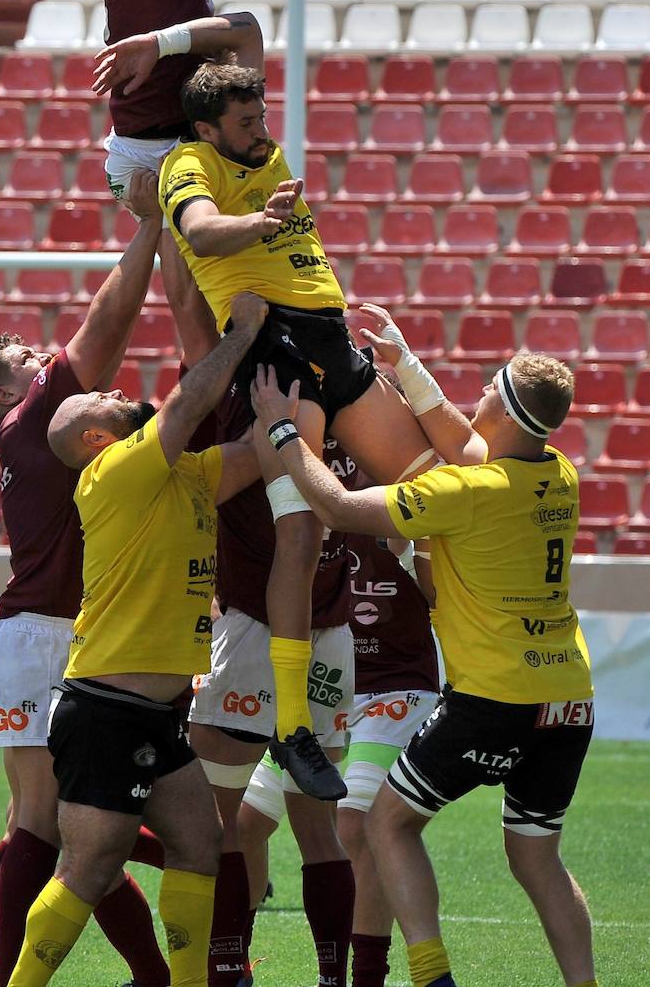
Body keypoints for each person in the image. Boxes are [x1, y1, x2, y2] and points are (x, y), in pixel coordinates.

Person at [116, 21, 441, 798]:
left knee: (437, 489)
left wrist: (164, 42)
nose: (261, 126)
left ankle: (474, 656)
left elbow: (248, 34)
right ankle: (293, 725)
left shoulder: (251, 136)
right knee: (301, 532)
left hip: (331, 340)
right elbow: (198, 230)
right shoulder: (190, 164)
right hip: (274, 351)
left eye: (261, 115)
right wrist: (259, 223)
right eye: (246, 121)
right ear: (204, 129)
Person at [250, 340, 599, 987]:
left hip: (496, 696)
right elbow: (471, 440)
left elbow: (337, 507)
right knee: (535, 856)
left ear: (511, 413)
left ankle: (433, 978)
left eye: (492, 390)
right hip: (570, 696)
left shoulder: (463, 490)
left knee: (387, 822)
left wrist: (280, 427)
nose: (480, 397)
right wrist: (405, 364)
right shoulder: (559, 474)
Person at [7, 290, 268, 987]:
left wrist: (297, 395)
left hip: (156, 709)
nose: (119, 390)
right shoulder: (113, 471)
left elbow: (253, 454)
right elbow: (184, 407)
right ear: (95, 440)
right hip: (105, 709)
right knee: (90, 866)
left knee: (198, 844)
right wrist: (240, 336)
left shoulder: (178, 475)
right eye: (101, 399)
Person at [0, 173, 171, 987]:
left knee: (47, 824)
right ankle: (10, 977)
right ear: (8, 394)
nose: (45, 361)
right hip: (42, 634)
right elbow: (105, 324)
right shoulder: (30, 421)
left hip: (47, 634)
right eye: (27, 362)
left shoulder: (28, 437)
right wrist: (151, 227)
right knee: (50, 827)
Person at [89, 0, 275, 358]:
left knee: (195, 296)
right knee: (203, 305)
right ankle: (218, 422)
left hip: (132, 149)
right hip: (174, 147)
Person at [189, 376, 358, 987]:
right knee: (319, 831)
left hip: (256, 627)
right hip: (333, 631)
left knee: (217, 824)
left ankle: (227, 970)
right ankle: (336, 979)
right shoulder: (353, 393)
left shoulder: (239, 397)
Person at [238, 527, 441, 987]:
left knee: (359, 824)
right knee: (245, 821)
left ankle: (364, 977)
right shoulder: (306, 498)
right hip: (322, 683)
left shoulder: (403, 490)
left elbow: (438, 594)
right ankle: (235, 966)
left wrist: (411, 546)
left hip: (395, 685)